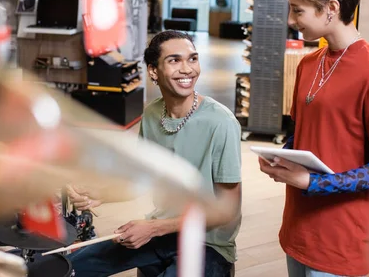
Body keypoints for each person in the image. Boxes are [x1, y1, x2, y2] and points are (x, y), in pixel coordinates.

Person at [31, 30, 242, 276]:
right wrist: (100, 195)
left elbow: (227, 210)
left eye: (192, 59)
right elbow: (144, 179)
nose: (188, 69)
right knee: (68, 267)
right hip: (162, 230)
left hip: (208, 244)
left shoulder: (221, 122)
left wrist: (154, 228)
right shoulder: (153, 113)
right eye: (174, 60)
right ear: (153, 71)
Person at [258, 0, 369, 277]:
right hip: (298, 228)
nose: (291, 20)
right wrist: (281, 158)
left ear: (331, 8)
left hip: (341, 241)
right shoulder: (309, 64)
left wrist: (313, 182)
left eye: (297, 10)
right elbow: (302, 133)